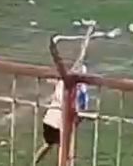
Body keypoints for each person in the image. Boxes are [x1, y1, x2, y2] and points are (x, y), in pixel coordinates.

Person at [35, 27, 93, 164]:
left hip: (49, 119)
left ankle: (33, 163)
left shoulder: (64, 80)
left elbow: (81, 56)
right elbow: (78, 113)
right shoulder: (76, 90)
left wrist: (88, 35)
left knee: (48, 145)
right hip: (61, 122)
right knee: (67, 150)